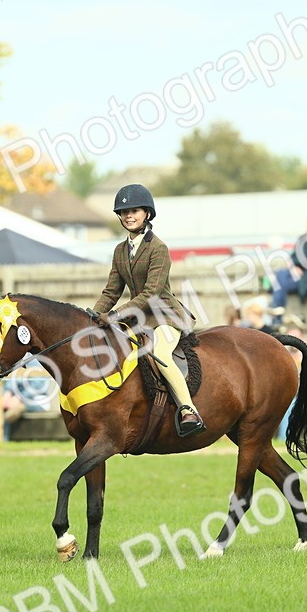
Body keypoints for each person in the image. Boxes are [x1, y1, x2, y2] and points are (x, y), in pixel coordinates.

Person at [92, 183, 204, 436]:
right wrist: (93, 314)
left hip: (164, 315)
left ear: (147, 214)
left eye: (134, 210)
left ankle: (189, 410)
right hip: (137, 318)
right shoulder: (120, 250)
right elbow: (111, 291)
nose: (129, 215)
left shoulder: (159, 249)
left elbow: (151, 293)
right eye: (124, 212)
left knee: (161, 354)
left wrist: (116, 315)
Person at [269, 218, 307, 316]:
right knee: (281, 273)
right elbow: (291, 259)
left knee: (280, 283)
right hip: (297, 276)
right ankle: (277, 308)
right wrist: (294, 268)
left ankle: (277, 308)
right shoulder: (303, 240)